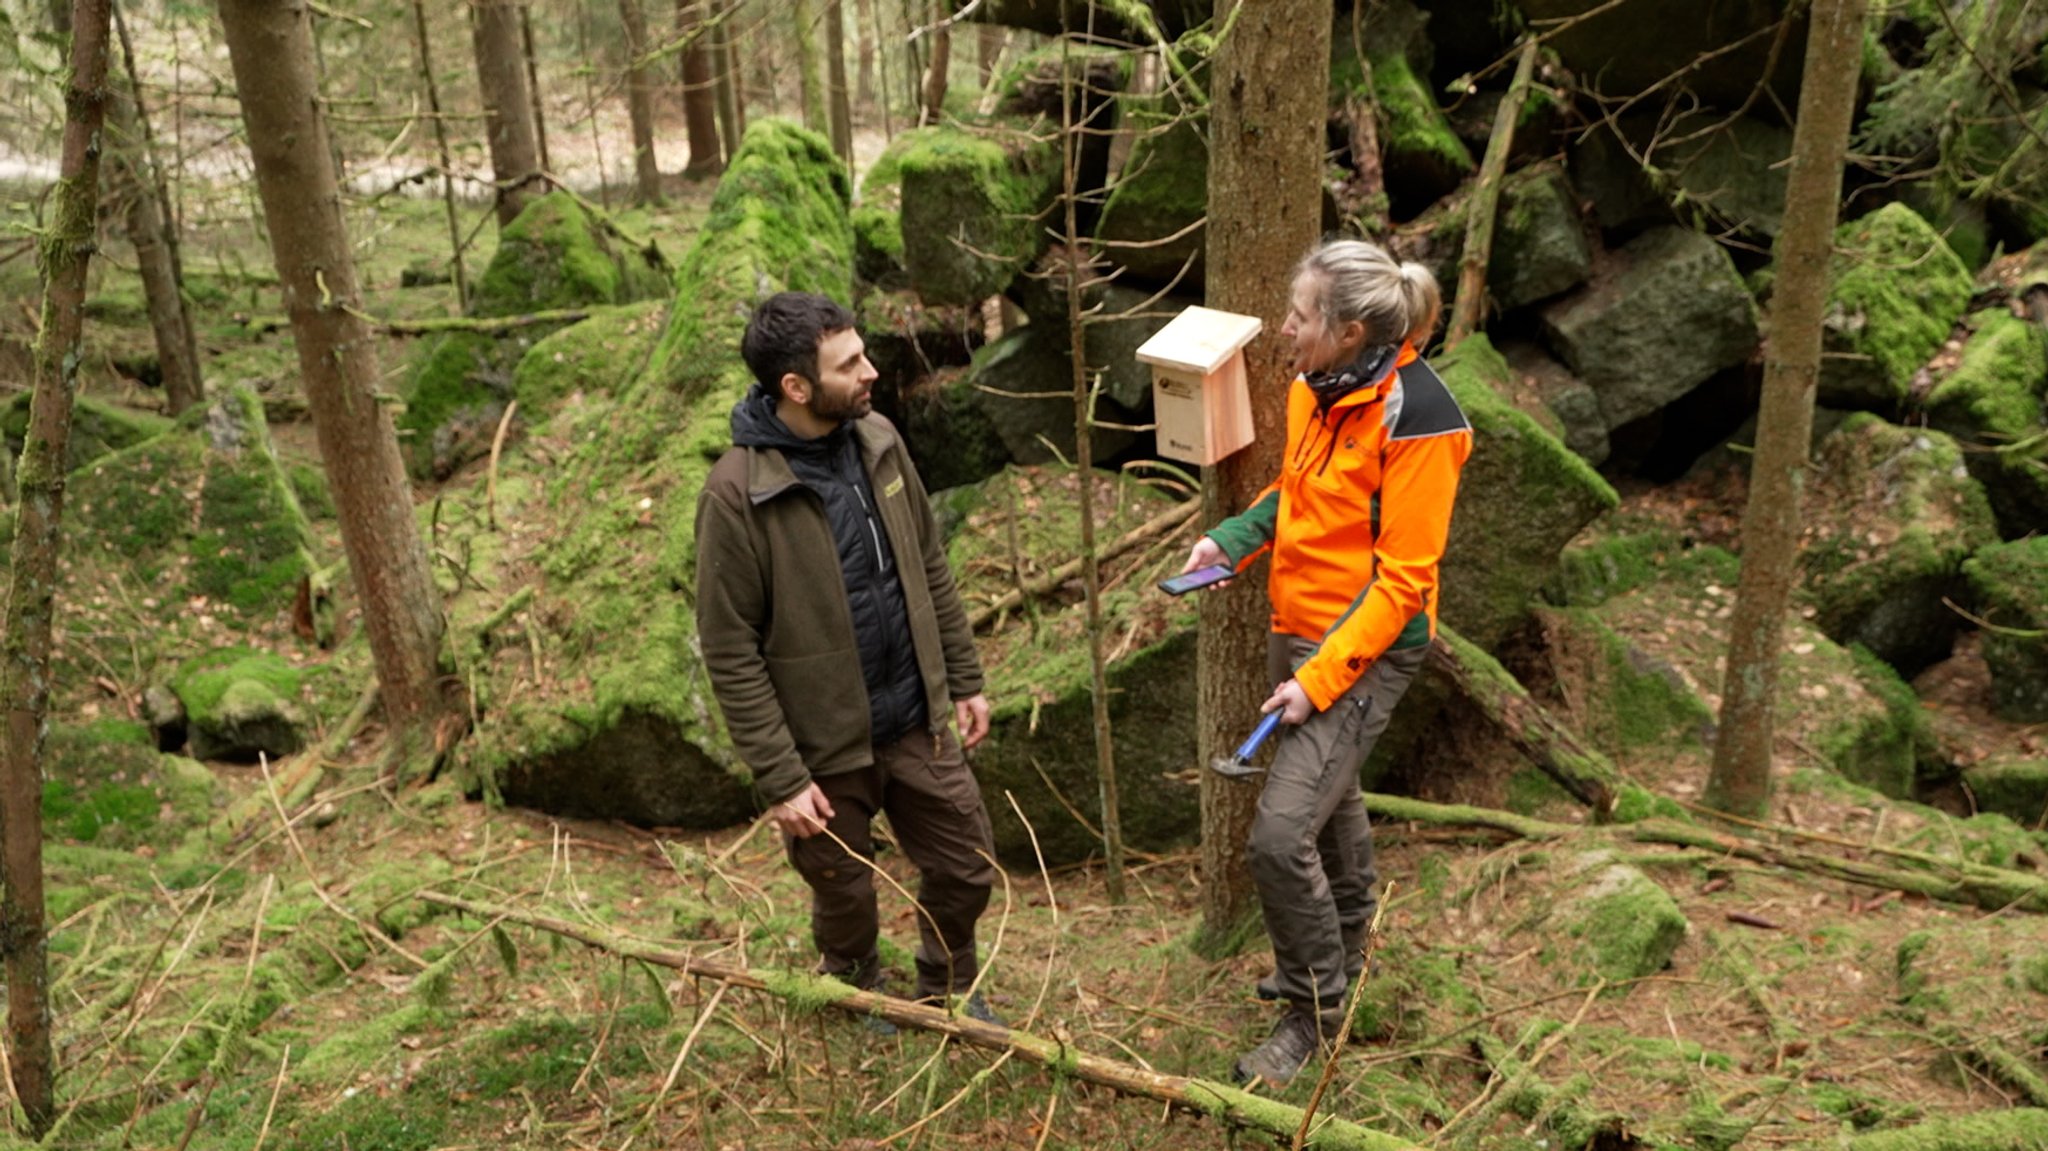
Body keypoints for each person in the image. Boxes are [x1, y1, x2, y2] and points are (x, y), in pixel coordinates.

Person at [1180, 240, 1472, 1085]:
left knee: (1278, 835)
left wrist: (1317, 678)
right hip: (1295, 623)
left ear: (1348, 331)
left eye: (1300, 316)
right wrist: (1231, 542)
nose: (1285, 327)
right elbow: (1302, 495)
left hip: (1366, 649)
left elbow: (1405, 583)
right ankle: (1345, 955)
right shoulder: (1315, 386)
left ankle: (1313, 1014)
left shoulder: (1421, 418)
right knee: (1327, 805)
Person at [695, 291, 1000, 1025]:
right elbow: (730, 649)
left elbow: (929, 565)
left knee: (967, 864)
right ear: (796, 388)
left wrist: (962, 677)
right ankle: (852, 985)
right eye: (849, 363)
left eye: (862, 352)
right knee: (843, 887)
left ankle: (948, 982)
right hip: (824, 749)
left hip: (915, 719)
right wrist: (782, 777)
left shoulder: (880, 441)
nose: (870, 370)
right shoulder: (737, 495)